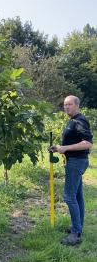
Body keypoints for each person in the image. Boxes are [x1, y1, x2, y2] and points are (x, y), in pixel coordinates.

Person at [49, 95, 93, 246]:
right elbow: (71, 142)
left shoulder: (80, 120)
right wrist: (58, 148)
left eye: (69, 104)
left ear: (77, 105)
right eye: (64, 105)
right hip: (74, 161)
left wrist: (65, 148)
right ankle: (78, 227)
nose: (66, 107)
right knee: (78, 196)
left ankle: (75, 234)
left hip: (76, 162)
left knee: (69, 197)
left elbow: (87, 143)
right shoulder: (72, 120)